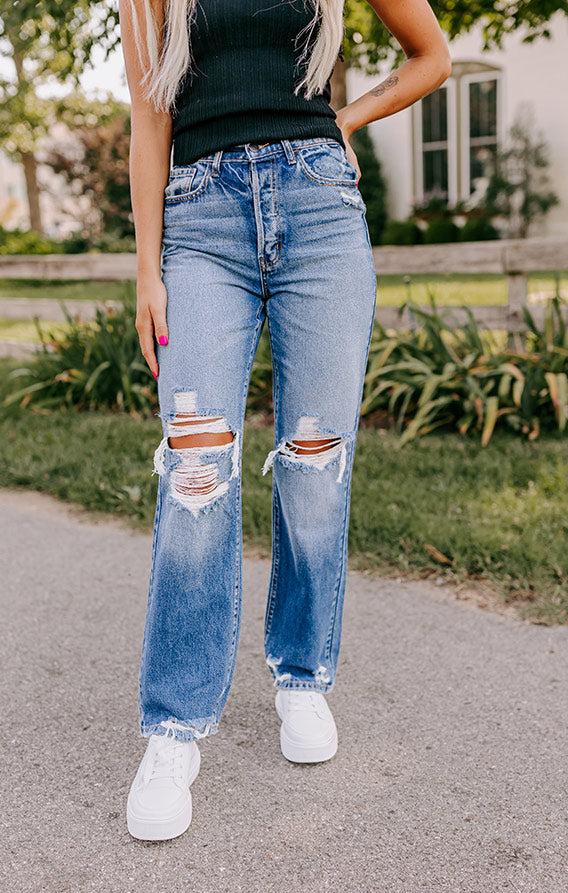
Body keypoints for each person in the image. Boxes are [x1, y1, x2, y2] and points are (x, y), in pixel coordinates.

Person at [119, 0, 450, 841]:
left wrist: (348, 119)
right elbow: (149, 120)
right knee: (195, 473)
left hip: (319, 210)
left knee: (314, 465)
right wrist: (148, 270)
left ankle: (302, 677)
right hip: (201, 221)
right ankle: (174, 728)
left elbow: (432, 56)